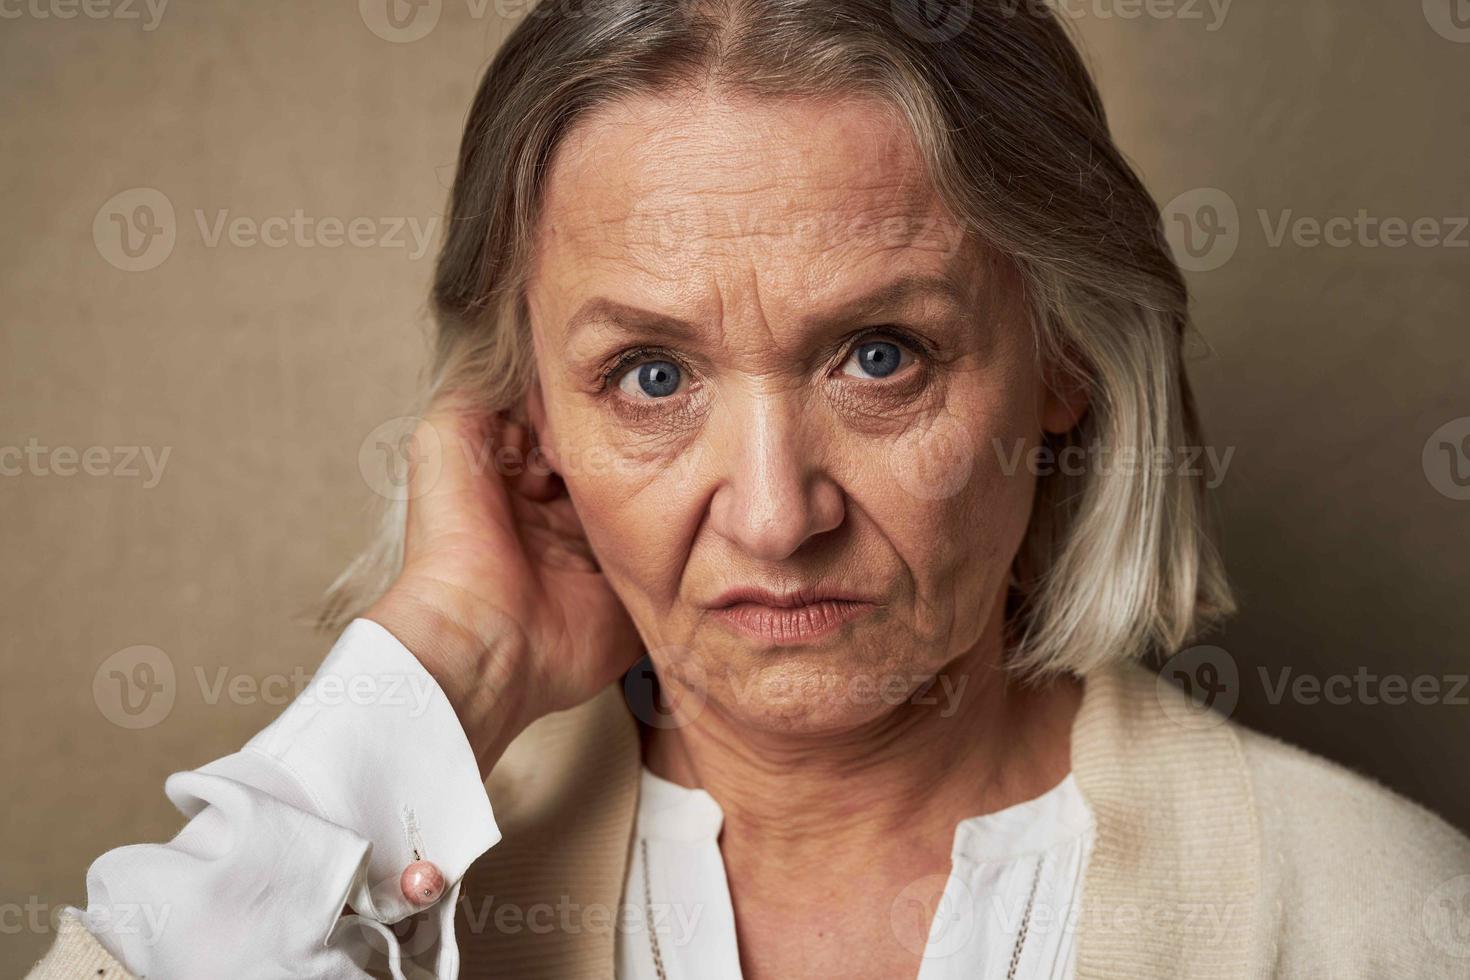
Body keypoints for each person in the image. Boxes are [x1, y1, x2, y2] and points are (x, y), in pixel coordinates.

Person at [27, 1, 1470, 977]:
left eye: (880, 354)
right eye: (650, 376)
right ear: (519, 417)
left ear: (1064, 362)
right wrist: (431, 681)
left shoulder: (1384, 917)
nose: (776, 518)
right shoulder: (378, 895)